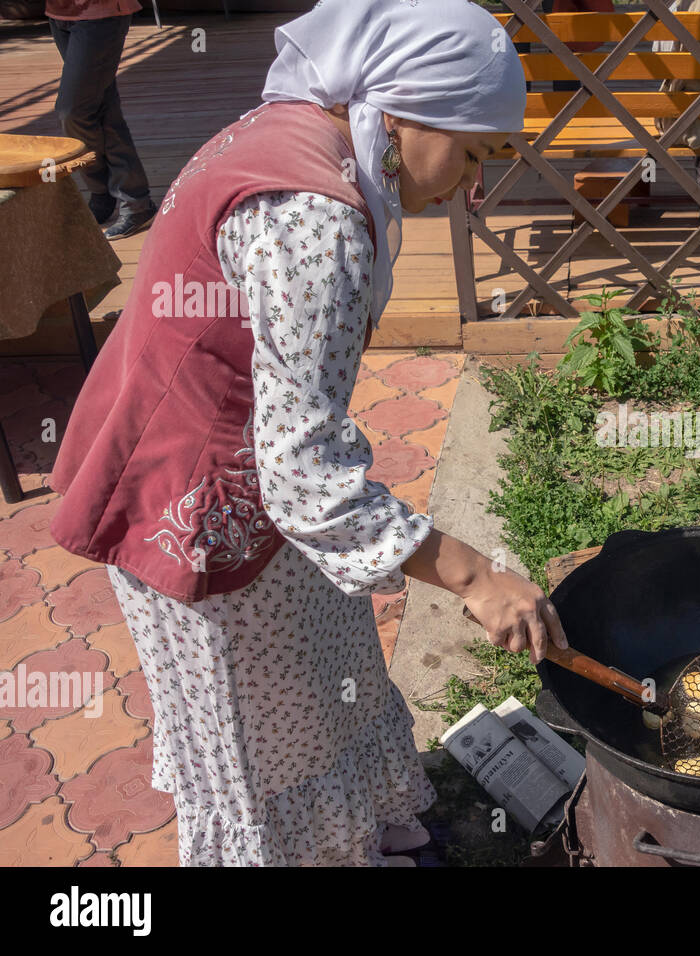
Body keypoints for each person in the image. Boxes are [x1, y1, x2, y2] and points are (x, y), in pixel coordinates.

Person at [48, 0, 567, 867]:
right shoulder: (315, 218)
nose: (472, 186)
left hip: (243, 469)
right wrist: (474, 576)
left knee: (326, 669)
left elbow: (296, 442)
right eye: (473, 153)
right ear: (401, 105)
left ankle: (355, 832)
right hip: (197, 500)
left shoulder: (298, 123)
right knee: (262, 732)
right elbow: (305, 481)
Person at [46, 0, 158, 239]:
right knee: (103, 108)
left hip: (101, 14)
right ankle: (124, 199)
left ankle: (118, 195)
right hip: (59, 13)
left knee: (72, 111)